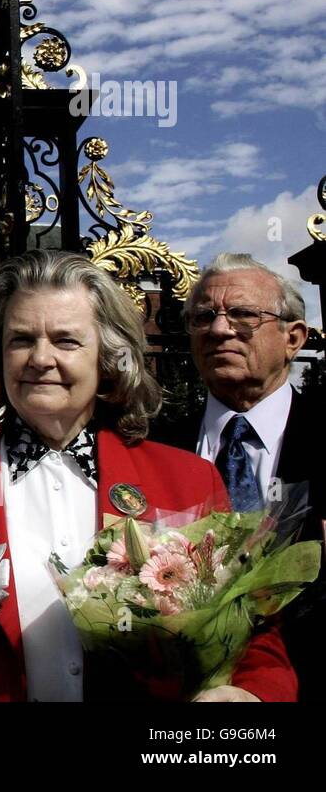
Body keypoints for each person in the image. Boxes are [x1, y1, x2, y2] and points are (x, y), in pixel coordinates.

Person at [0, 249, 296, 702]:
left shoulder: (188, 481)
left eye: (66, 341)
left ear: (107, 358)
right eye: (21, 340)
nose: (40, 359)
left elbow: (258, 649)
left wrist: (249, 696)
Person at [153, 252, 322, 700]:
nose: (220, 329)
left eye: (243, 315)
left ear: (294, 338)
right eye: (203, 317)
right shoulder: (151, 449)